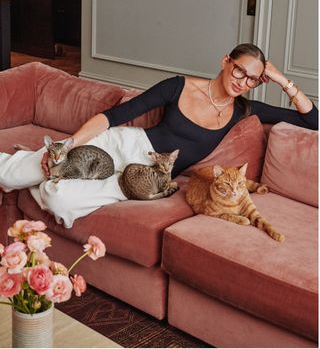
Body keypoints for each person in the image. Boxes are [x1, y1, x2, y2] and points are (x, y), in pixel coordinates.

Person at [0, 44, 317, 227]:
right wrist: (69, 146)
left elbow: (312, 119)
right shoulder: (178, 86)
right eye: (239, 70)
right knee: (26, 170)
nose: (242, 81)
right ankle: (15, 170)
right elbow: (112, 117)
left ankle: (37, 178)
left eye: (251, 79)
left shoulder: (244, 109)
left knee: (59, 197)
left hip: (147, 178)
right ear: (225, 62)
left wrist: (280, 79)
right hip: (123, 145)